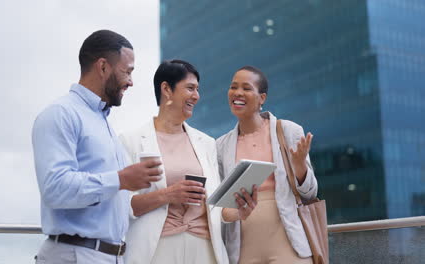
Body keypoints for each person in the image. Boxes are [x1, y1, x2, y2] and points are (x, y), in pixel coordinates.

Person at [32, 30, 162, 264]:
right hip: (75, 256)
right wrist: (121, 179)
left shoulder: (104, 123)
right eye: (128, 71)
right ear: (103, 67)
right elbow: (55, 188)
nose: (131, 81)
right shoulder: (60, 115)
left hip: (108, 256)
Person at [119, 60, 256, 264]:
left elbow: (215, 208)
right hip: (157, 250)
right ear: (166, 89)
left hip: (205, 250)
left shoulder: (207, 144)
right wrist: (168, 194)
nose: (196, 96)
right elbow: (122, 207)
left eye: (197, 90)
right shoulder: (130, 142)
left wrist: (239, 211)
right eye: (190, 88)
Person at [217, 66, 318, 264]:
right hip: (242, 249)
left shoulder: (288, 131)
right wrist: (233, 213)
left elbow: (310, 193)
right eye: (233, 87)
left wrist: (300, 168)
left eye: (246, 88)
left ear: (262, 98)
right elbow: (219, 206)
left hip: (288, 244)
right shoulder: (220, 146)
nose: (238, 93)